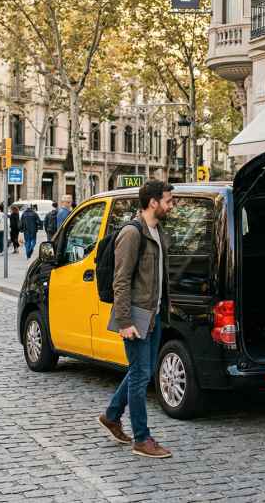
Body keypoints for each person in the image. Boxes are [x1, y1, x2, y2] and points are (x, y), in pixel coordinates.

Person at [99, 180, 176, 459]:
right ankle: (142, 439)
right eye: (168, 200)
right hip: (135, 316)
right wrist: (125, 321)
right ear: (153, 202)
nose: (171, 205)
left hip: (153, 315)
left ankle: (111, 415)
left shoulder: (157, 231)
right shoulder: (133, 233)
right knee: (141, 376)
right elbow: (121, 281)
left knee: (140, 371)